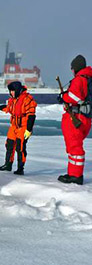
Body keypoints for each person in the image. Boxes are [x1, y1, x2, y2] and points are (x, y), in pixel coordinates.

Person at [57, 55, 92, 185]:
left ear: (75, 68)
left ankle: (76, 176)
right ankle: (72, 173)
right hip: (85, 118)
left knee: (75, 147)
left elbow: (74, 97)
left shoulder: (79, 80)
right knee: (74, 146)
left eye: (72, 68)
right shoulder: (89, 79)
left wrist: (63, 97)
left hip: (76, 118)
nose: (71, 71)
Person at [0, 81, 37, 175]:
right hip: (14, 127)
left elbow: (31, 115)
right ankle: (8, 165)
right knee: (9, 145)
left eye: (13, 91)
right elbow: (8, 108)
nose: (11, 93)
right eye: (10, 91)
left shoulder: (27, 99)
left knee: (20, 147)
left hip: (23, 127)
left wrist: (28, 130)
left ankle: (20, 168)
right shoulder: (12, 100)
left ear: (17, 90)